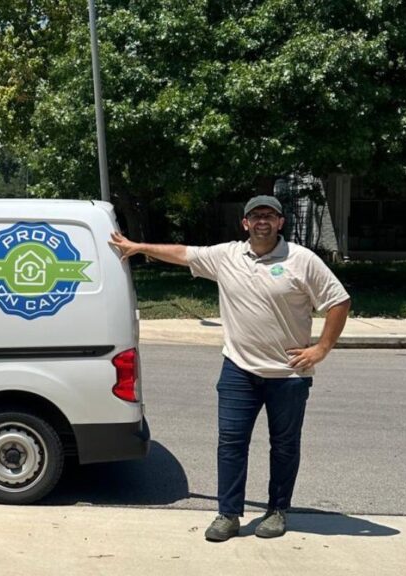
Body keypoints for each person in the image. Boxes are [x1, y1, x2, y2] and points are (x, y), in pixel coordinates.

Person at [108, 195, 351, 541]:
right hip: (239, 370)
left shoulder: (302, 260)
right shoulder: (227, 256)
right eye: (255, 216)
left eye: (270, 215)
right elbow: (183, 252)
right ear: (245, 223)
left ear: (281, 222)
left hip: (288, 375)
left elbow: (338, 300)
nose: (262, 221)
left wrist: (321, 348)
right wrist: (137, 246)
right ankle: (228, 514)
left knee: (284, 446)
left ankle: (278, 510)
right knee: (231, 443)